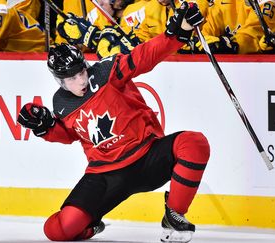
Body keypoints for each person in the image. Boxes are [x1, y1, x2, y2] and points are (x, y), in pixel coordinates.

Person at [17, 2, 210, 242]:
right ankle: (91, 226)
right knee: (56, 230)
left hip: (146, 157)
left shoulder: (105, 72)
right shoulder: (61, 103)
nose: (80, 81)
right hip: (105, 175)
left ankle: (174, 214)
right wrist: (44, 127)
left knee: (194, 143)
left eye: (81, 72)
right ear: (60, 81)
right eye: (72, 78)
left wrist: (177, 33)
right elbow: (68, 135)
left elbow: (144, 57)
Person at [198, 0, 275, 54]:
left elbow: (256, 32)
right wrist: (198, 43)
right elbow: (210, 27)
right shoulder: (221, 2)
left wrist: (230, 44)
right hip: (237, 62)